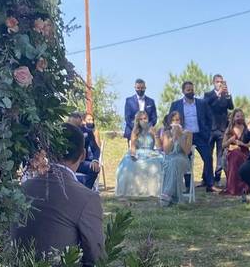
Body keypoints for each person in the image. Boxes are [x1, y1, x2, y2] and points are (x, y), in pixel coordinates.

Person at [11, 124, 105, 266]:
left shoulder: (22, 189)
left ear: (47, 153)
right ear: (83, 155)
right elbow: (97, 256)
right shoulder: (87, 198)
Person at [169, 81, 215, 192]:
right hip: (184, 136)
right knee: (187, 160)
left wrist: (208, 132)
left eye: (192, 89)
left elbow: (210, 118)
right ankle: (189, 186)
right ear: (183, 91)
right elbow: (170, 119)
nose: (191, 92)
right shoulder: (176, 104)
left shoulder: (202, 103)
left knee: (208, 157)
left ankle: (210, 185)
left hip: (200, 136)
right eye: (188, 90)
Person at [115, 110, 163, 198]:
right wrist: (133, 155)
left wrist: (155, 135)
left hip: (151, 152)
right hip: (139, 152)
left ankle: (153, 190)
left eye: (145, 118)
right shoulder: (135, 131)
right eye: (141, 119)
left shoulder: (152, 129)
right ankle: (133, 190)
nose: (143, 121)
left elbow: (159, 146)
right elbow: (132, 146)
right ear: (138, 121)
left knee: (155, 164)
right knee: (130, 164)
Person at [204, 74, 234, 187]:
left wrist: (227, 94)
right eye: (217, 81)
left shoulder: (225, 95)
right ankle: (207, 179)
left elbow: (231, 107)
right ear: (213, 82)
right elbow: (205, 104)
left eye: (221, 81)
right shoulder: (208, 95)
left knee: (220, 155)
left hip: (222, 129)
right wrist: (217, 93)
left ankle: (217, 178)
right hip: (210, 129)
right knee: (208, 155)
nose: (220, 83)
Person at [159, 111, 193, 206]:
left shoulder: (188, 133)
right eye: (173, 120)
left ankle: (167, 193)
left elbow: (187, 151)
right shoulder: (166, 133)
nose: (175, 122)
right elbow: (166, 151)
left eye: (177, 120)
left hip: (183, 159)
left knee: (176, 162)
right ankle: (175, 197)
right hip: (170, 159)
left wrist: (180, 136)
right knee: (173, 163)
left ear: (181, 121)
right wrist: (173, 137)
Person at [67, 112, 100, 189]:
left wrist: (95, 160)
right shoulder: (62, 131)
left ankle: (86, 190)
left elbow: (95, 148)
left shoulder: (87, 132)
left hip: (80, 162)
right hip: (65, 162)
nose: (75, 129)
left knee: (94, 168)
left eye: (78, 126)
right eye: (73, 126)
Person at [222, 109, 250, 196]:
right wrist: (230, 141)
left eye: (242, 116)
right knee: (234, 155)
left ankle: (239, 187)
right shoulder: (229, 129)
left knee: (237, 155)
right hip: (232, 153)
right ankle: (234, 187)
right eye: (238, 116)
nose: (240, 118)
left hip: (244, 153)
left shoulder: (247, 129)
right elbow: (223, 145)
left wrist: (242, 144)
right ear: (233, 118)